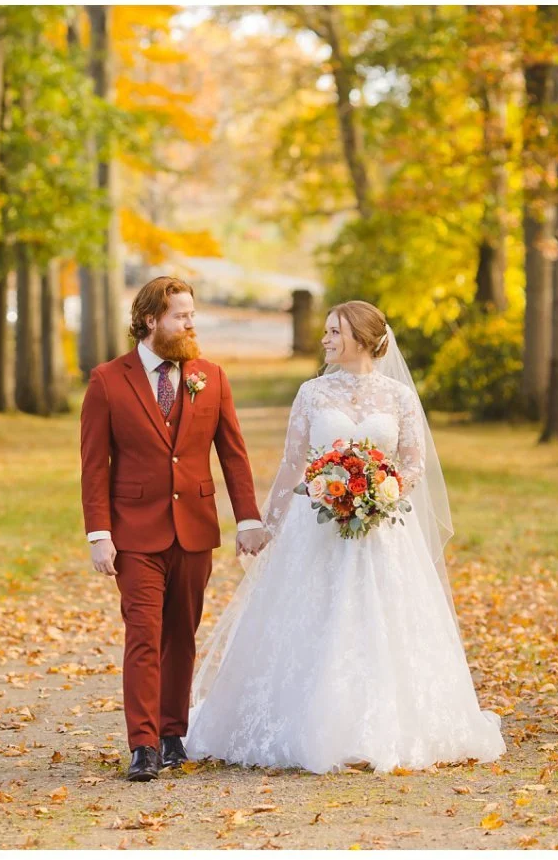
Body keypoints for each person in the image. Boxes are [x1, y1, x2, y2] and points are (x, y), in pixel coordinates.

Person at [185, 300, 506, 773]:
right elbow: (292, 464)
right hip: (316, 529)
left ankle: (381, 728)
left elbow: (415, 462)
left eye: (334, 331)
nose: (324, 339)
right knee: (313, 619)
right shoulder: (312, 393)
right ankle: (307, 724)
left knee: (382, 623)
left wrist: (383, 489)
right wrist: (265, 525)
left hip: (383, 531)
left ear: (360, 336)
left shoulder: (398, 397)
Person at [79, 276, 269, 782]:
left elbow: (233, 454)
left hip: (194, 530)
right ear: (150, 321)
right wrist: (99, 533)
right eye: (181, 316)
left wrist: (248, 519)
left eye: (191, 314)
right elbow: (94, 465)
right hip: (134, 533)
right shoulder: (107, 381)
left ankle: (170, 733)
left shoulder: (211, 376)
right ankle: (141, 744)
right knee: (144, 634)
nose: (190, 323)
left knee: (181, 635)